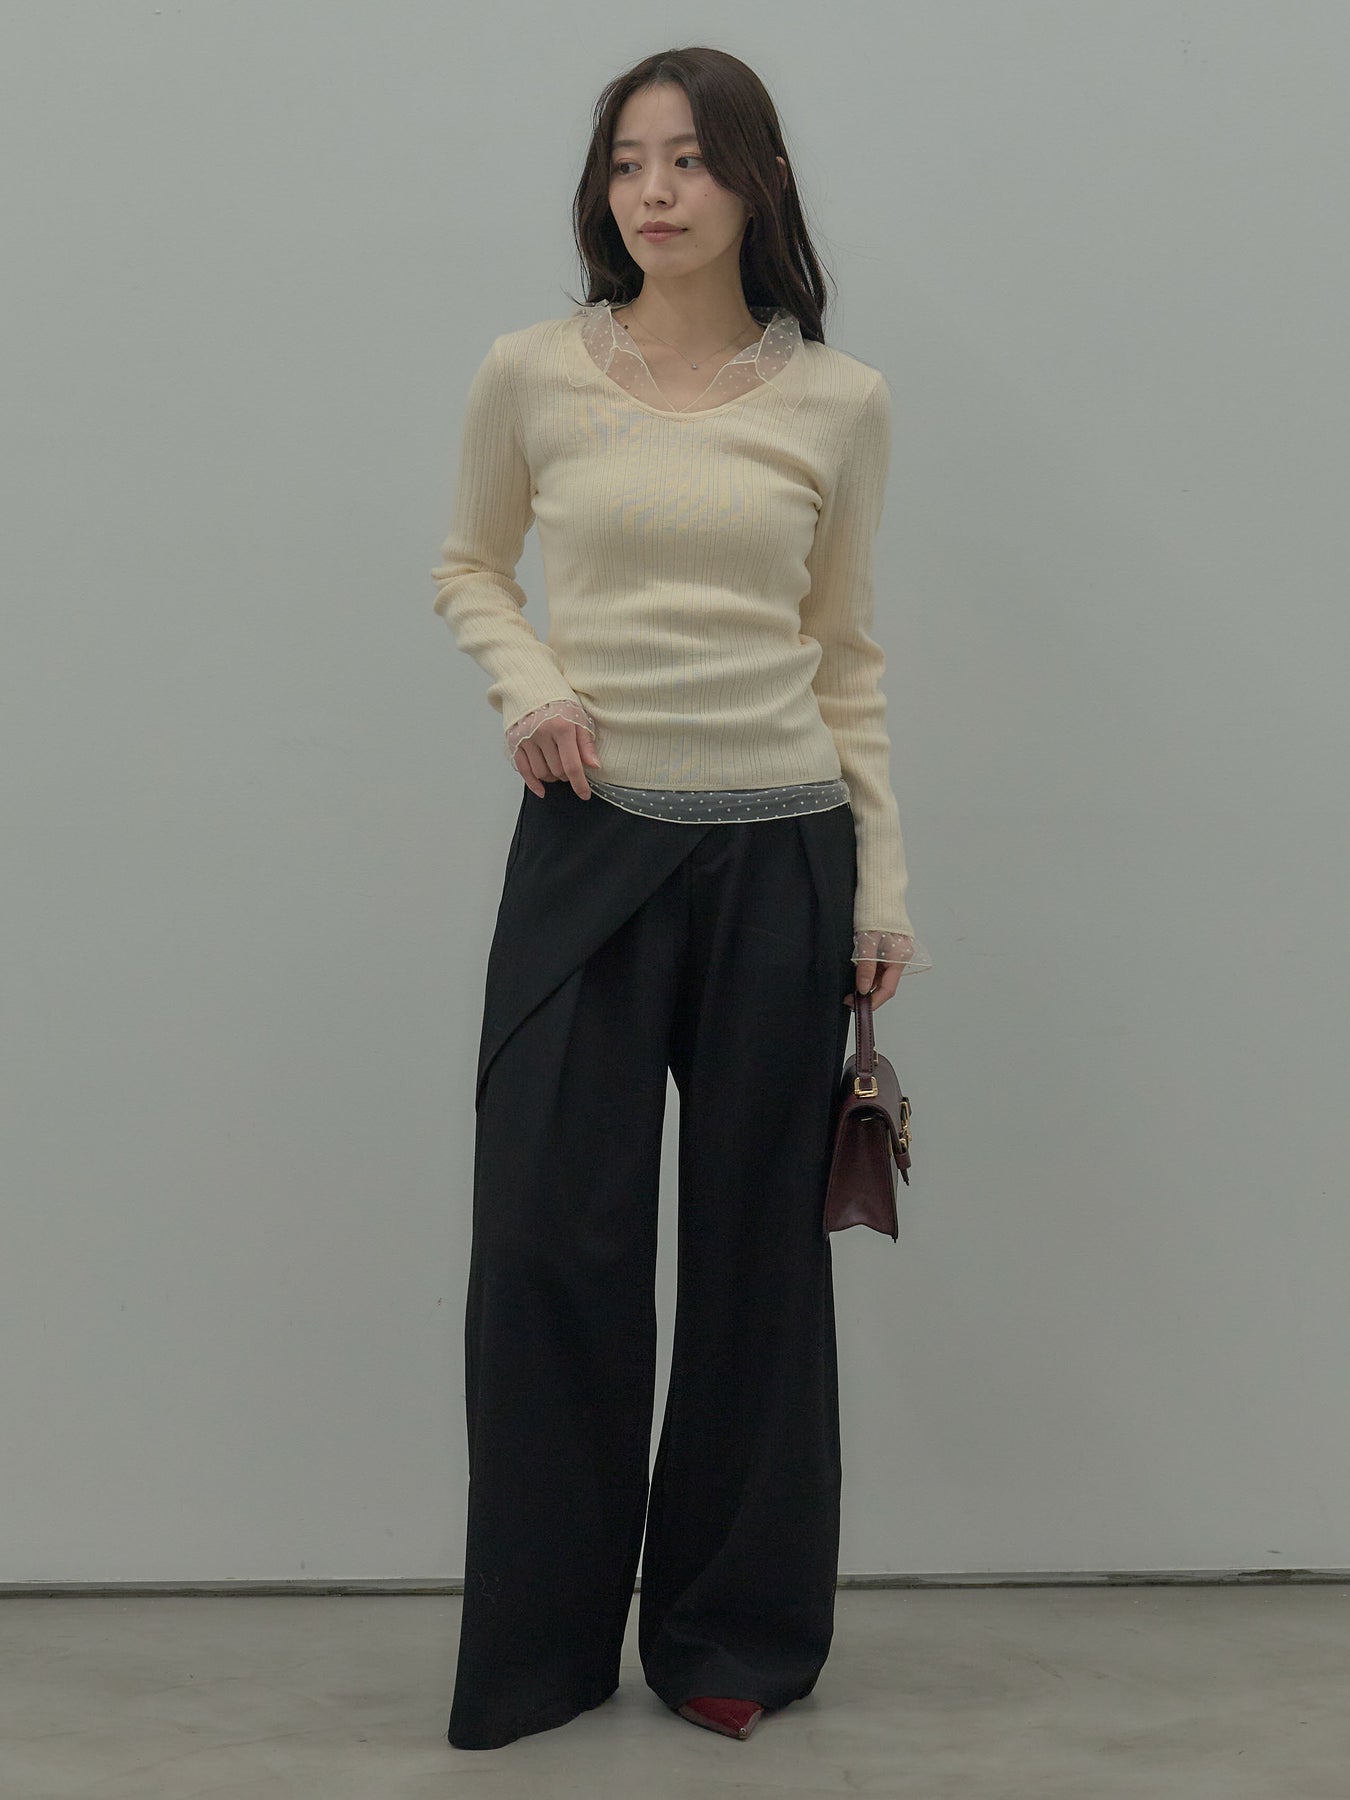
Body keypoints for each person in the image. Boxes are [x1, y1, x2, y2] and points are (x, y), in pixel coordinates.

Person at [430, 45, 932, 1752]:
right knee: (545, 1245)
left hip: (783, 848)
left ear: (753, 183)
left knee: (752, 1264)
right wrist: (528, 686)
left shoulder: (838, 401)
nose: (654, 190)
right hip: (590, 837)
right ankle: (539, 1650)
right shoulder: (530, 372)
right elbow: (468, 566)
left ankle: (732, 1636)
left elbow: (844, 655)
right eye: (628, 161)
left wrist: (878, 887)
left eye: (690, 160)